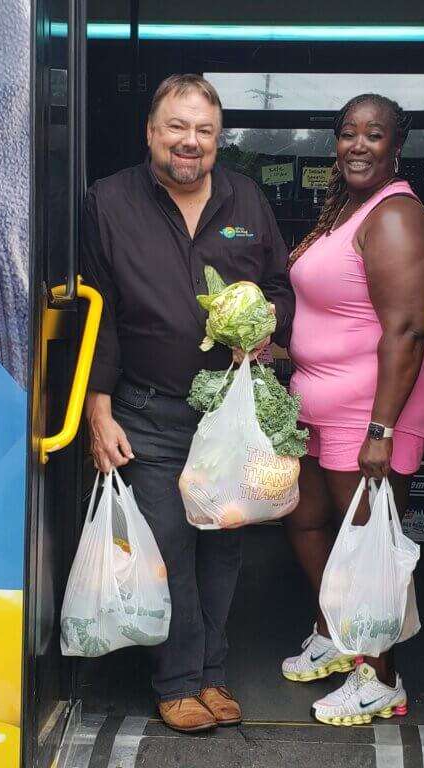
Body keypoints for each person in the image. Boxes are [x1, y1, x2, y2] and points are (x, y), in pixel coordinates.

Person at [81, 74, 294, 734]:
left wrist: (264, 331)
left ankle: (212, 674)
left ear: (218, 138)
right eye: (177, 127)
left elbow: (282, 289)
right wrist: (98, 409)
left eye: (204, 131)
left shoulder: (246, 199)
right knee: (168, 546)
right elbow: (100, 316)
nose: (190, 142)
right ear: (151, 131)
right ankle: (176, 681)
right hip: (147, 410)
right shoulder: (108, 202)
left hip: (228, 412)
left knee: (222, 544)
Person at [280, 94, 424, 725]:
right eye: (347, 133)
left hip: (369, 414)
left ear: (395, 145)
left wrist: (381, 430)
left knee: (366, 547)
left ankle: (380, 677)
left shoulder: (397, 216)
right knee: (309, 520)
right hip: (322, 407)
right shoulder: (350, 211)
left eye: (373, 135)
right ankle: (334, 633)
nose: (357, 145)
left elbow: (406, 331)